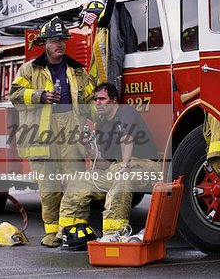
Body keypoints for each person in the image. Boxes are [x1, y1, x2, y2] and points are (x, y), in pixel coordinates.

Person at [10, 16, 95, 247]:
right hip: (42, 135)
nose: (60, 44)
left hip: (71, 132)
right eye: (54, 40)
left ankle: (72, 230)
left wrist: (110, 121)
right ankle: (52, 232)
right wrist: (40, 96)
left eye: (62, 40)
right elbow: (15, 95)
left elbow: (90, 101)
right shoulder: (30, 69)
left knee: (75, 183)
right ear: (44, 44)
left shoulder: (77, 71)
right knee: (49, 188)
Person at [57, 83, 160, 245]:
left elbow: (128, 138)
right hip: (115, 167)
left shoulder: (126, 112)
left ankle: (113, 235)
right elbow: (103, 165)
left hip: (144, 165)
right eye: (95, 99)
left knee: (121, 182)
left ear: (113, 100)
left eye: (102, 99)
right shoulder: (103, 124)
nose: (97, 103)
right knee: (78, 183)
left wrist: (125, 165)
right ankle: (70, 233)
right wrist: (87, 146)